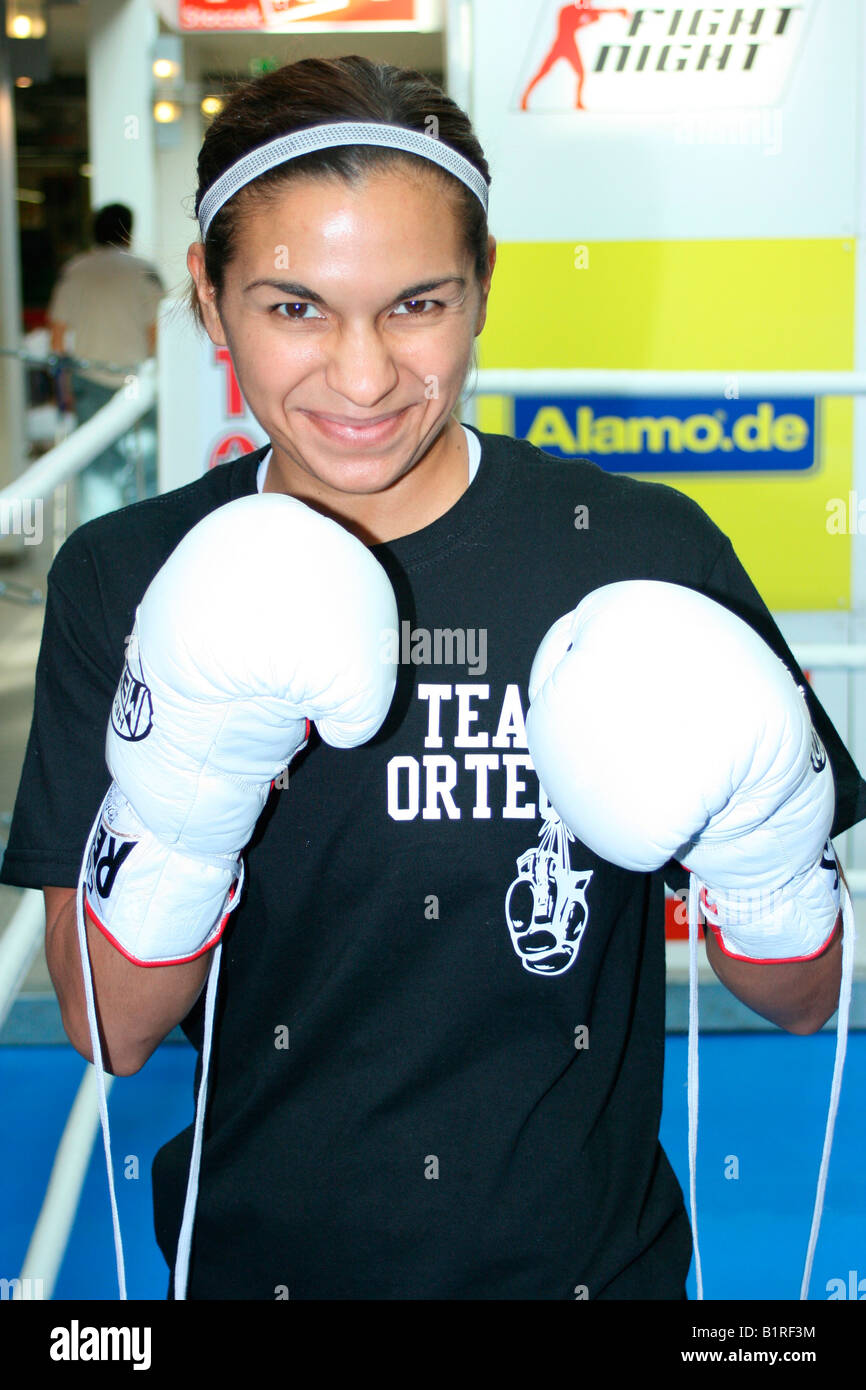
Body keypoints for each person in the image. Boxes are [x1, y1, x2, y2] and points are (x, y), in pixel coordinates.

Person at [2, 54, 864, 1302]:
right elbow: (111, 1025)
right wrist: (186, 793)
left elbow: (799, 1001)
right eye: (293, 307)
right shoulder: (125, 574)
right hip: (261, 1267)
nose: (362, 378)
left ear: (482, 287)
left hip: (592, 1275)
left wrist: (766, 847)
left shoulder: (640, 552)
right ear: (206, 290)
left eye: (417, 304)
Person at [47, 203, 165, 524]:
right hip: (137, 385)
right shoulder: (144, 271)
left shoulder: (75, 270)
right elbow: (157, 333)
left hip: (90, 383)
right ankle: (145, 548)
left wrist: (62, 387)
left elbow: (57, 335)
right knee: (144, 471)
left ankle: (99, 556)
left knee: (97, 473)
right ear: (128, 231)